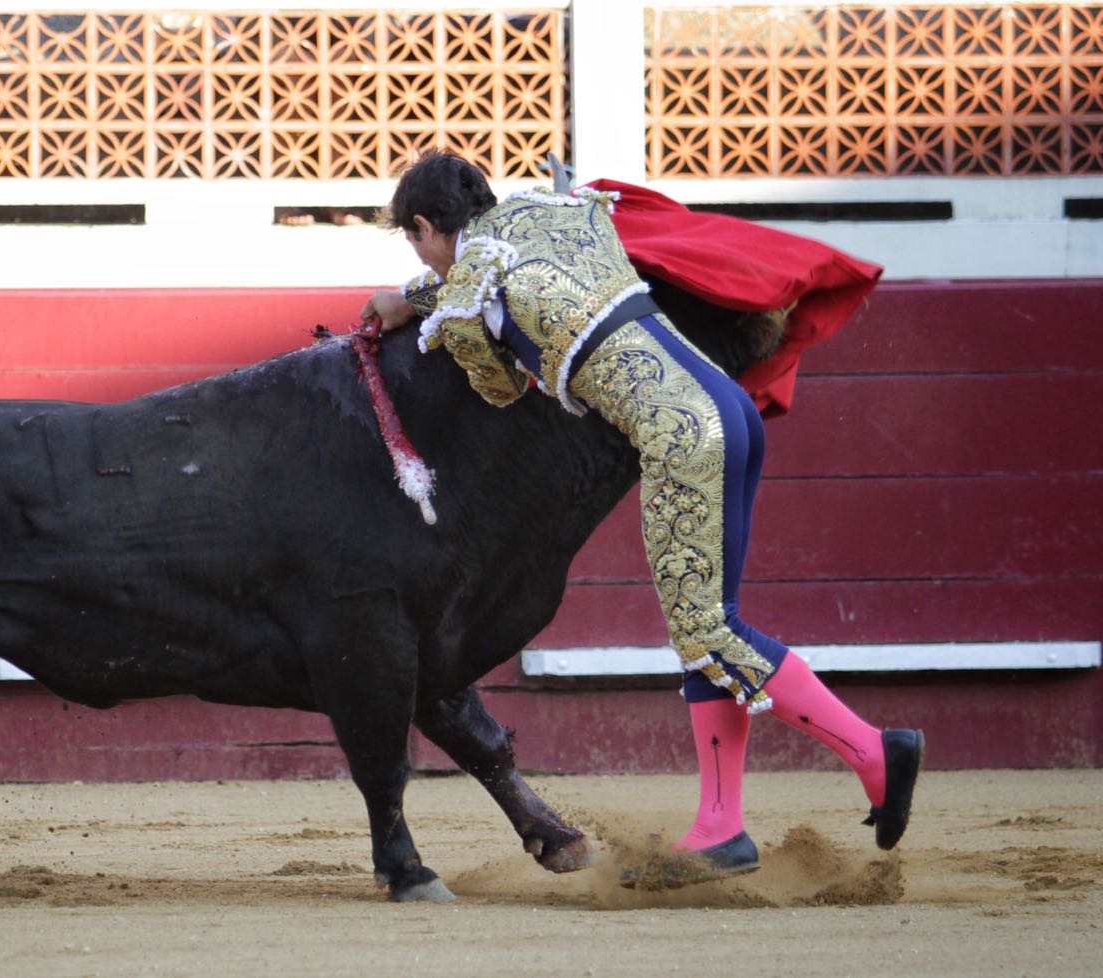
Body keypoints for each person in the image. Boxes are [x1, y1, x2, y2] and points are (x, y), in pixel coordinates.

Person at [360, 150, 923, 887]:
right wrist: (424, 292)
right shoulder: (551, 210)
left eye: (416, 241)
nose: (421, 258)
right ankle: (721, 828)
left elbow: (497, 387)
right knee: (707, 627)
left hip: (681, 437)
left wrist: (422, 304)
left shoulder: (466, 290)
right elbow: (500, 272)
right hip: (728, 410)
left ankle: (873, 751)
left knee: (709, 633)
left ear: (428, 227)